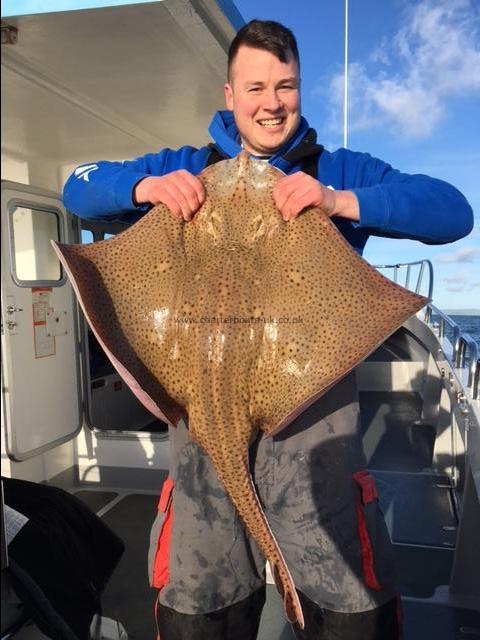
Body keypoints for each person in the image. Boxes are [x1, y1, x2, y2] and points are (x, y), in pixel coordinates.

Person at [63, 19, 473, 640]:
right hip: (201, 423)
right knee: (202, 599)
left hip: (311, 431)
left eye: (285, 86)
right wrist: (144, 186)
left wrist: (338, 203)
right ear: (229, 94)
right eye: (255, 87)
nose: (271, 103)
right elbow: (79, 187)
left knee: (344, 598)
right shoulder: (187, 166)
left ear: (300, 90)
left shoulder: (334, 169)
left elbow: (452, 210)